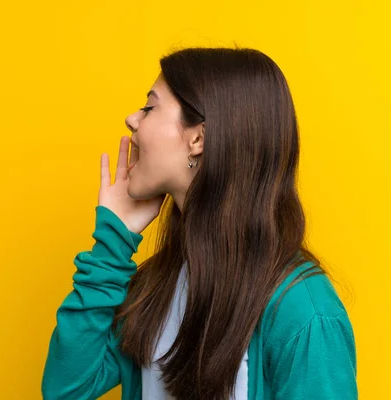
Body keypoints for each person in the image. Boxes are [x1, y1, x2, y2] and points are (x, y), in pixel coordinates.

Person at [41, 47, 357, 400]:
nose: (132, 119)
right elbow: (66, 389)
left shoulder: (305, 313)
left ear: (198, 139)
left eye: (149, 107)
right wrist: (114, 241)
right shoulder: (157, 286)